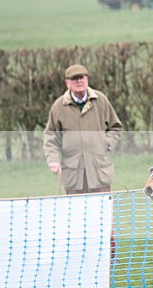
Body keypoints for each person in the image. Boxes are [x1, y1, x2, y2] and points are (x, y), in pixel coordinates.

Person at [43, 64, 123, 195]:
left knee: (101, 212)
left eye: (82, 77)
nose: (79, 81)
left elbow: (115, 127)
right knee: (76, 213)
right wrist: (53, 160)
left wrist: (107, 143)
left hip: (99, 170)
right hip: (73, 174)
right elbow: (51, 137)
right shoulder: (58, 107)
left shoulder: (101, 100)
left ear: (87, 80)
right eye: (75, 79)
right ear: (67, 83)